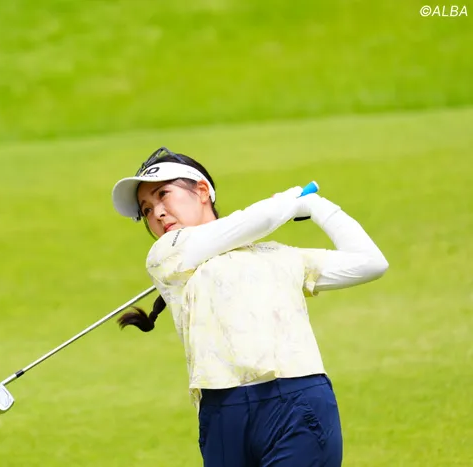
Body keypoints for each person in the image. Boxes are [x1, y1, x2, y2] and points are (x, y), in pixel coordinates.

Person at [110, 147, 389, 467]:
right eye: (146, 209)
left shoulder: (278, 254)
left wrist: (317, 206)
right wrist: (289, 201)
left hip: (298, 402)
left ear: (202, 191)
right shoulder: (165, 255)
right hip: (222, 413)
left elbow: (370, 262)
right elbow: (254, 221)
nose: (157, 213)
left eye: (163, 194)